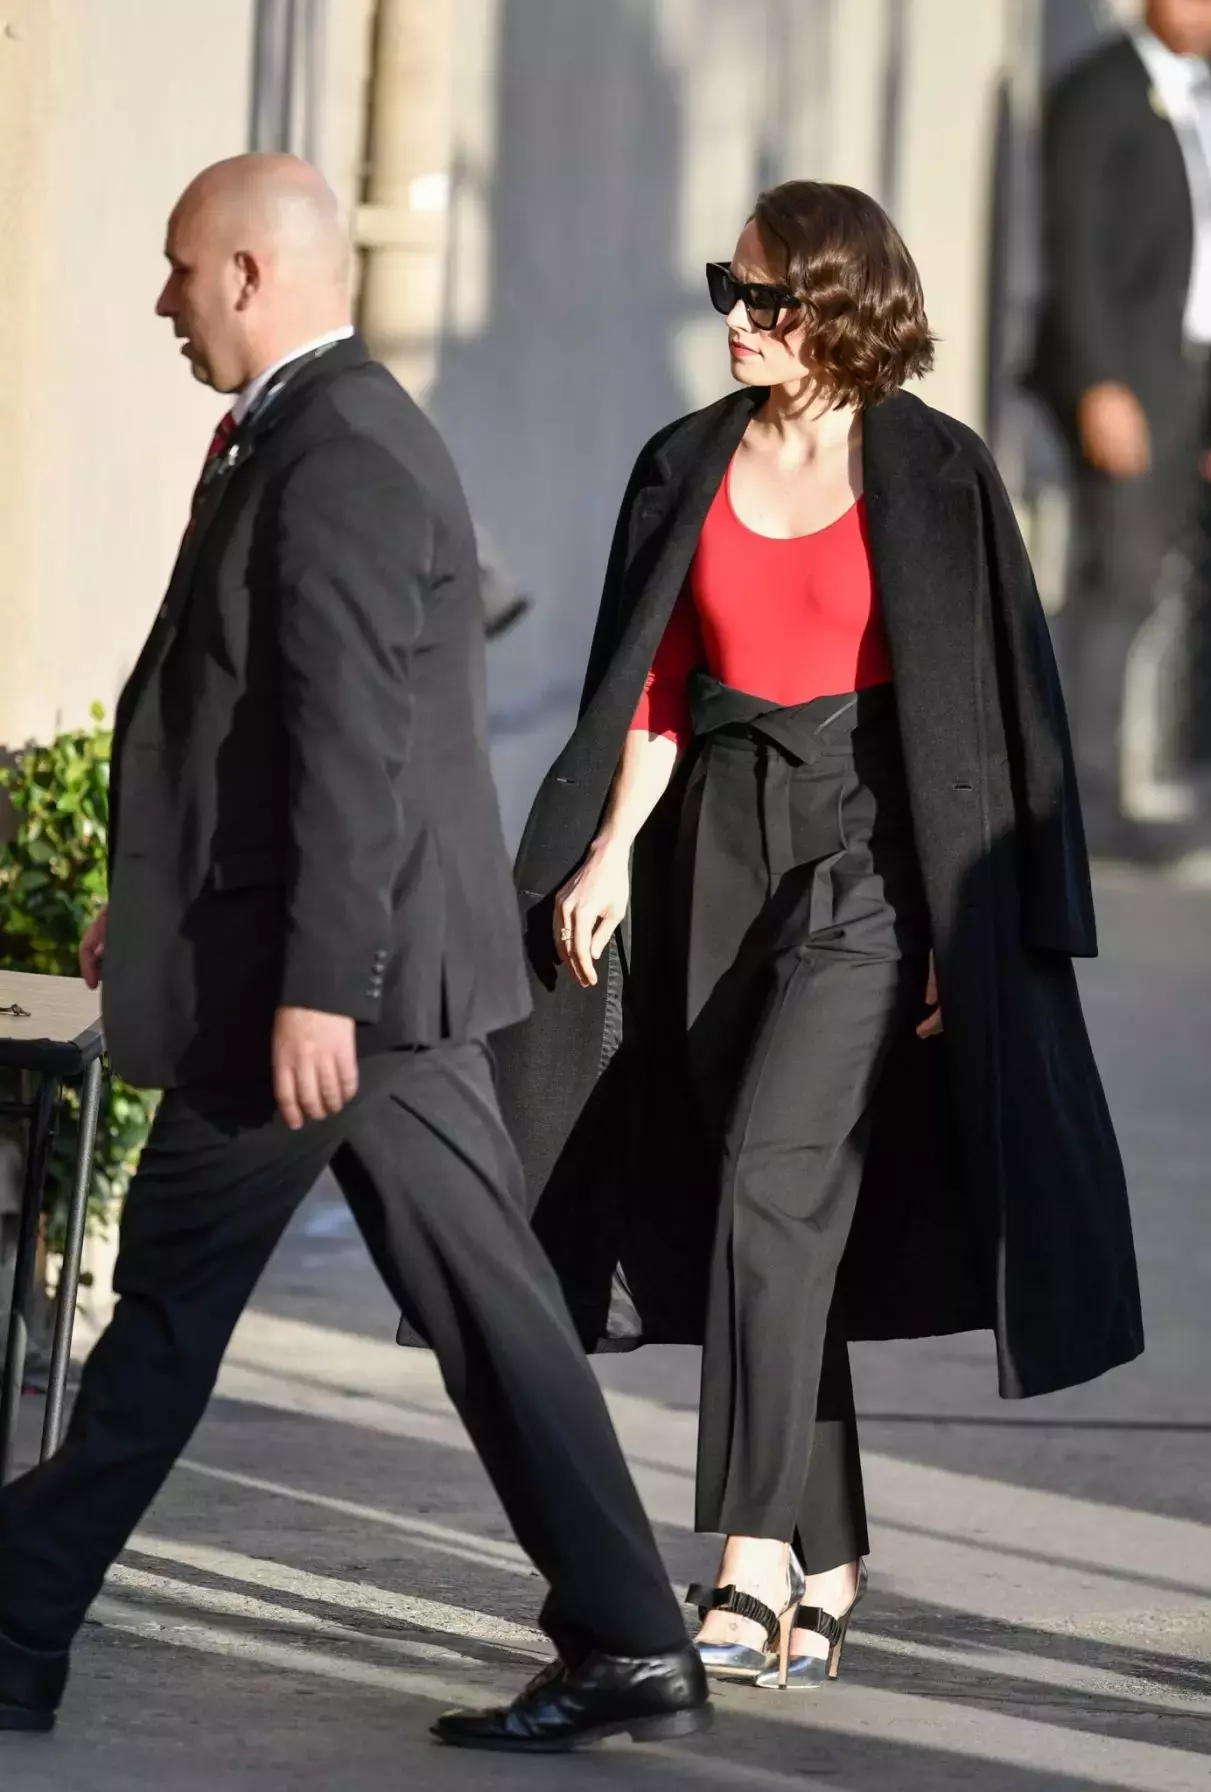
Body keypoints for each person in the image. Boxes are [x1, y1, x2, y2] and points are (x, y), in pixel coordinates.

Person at [0, 154, 709, 1754]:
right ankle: (627, 1633)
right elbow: (249, 720)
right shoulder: (321, 432)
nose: (163, 301)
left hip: (322, 995)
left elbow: (351, 752)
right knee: (492, 1308)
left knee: (167, 1316)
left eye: (180, 269)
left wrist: (318, 984)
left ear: (251, 273)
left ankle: (17, 1617)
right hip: (368, 980)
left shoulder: (343, 454)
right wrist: (158, 890)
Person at [491, 180, 1143, 1691]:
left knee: (776, 1189)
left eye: (763, 295)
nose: (734, 316)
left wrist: (962, 936)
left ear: (838, 306)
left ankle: (746, 1560)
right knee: (758, 1209)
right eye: (728, 286)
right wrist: (603, 858)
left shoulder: (935, 473)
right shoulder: (683, 464)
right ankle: (833, 1546)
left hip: (871, 861)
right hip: (716, 847)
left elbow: (988, 718)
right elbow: (652, 686)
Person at [1026, 0, 1211, 860]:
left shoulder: (1206, 101)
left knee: (1143, 582)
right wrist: (1099, 383)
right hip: (1124, 377)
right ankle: (1070, 802)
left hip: (1187, 379)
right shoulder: (1099, 92)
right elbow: (1075, 250)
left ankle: (1094, 789)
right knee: (1114, 579)